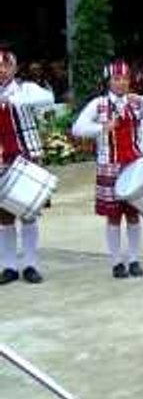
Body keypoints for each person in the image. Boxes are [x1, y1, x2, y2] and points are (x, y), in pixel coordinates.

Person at [71, 60, 143, 279]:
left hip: (135, 165)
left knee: (134, 215)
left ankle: (135, 260)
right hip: (109, 165)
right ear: (109, 81)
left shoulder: (136, 103)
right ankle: (116, 262)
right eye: (117, 79)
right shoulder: (98, 104)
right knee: (113, 216)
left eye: (125, 79)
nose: (121, 83)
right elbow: (77, 128)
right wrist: (101, 128)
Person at [0, 50, 56, 285]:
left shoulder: (26, 89)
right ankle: (9, 266)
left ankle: (31, 264)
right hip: (1, 159)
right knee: (3, 217)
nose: (1, 70)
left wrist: (11, 99)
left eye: (6, 65)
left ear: (14, 68)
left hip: (27, 155)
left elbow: (48, 99)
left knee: (29, 213)